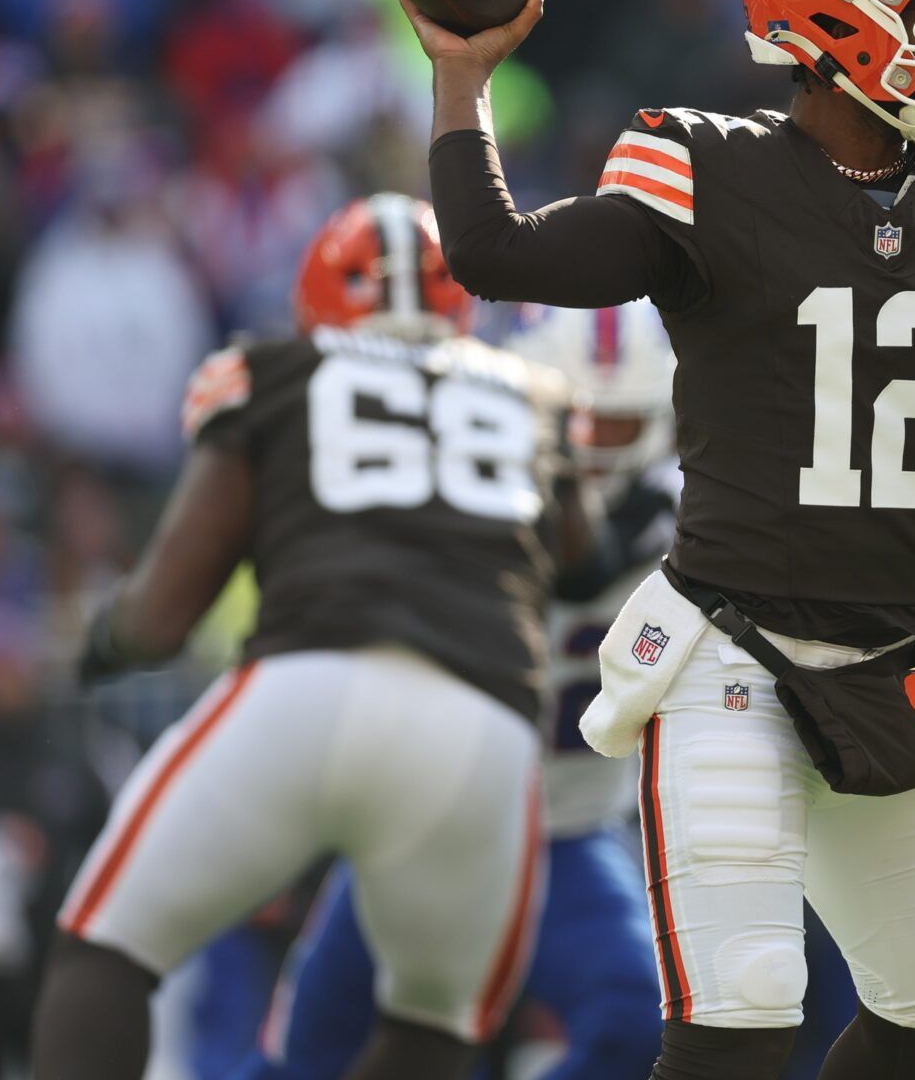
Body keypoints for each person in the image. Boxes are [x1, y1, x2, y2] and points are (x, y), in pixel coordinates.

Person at [400, 0, 915, 1080]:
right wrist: (460, 75)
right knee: (744, 1011)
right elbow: (492, 253)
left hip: (896, 657)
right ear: (842, 19)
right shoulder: (707, 168)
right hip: (730, 649)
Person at [31, 195, 574, 1080]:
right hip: (480, 723)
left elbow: (163, 613)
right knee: (434, 1026)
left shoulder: (274, 371)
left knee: (106, 947)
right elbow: (578, 560)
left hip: (306, 689)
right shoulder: (535, 398)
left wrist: (101, 643)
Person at [214, 301, 679, 1080]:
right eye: (581, 423)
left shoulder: (683, 521)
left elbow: (609, 552)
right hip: (423, 817)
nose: (595, 448)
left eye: (620, 427)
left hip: (564, 832)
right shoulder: (465, 490)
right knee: (304, 1060)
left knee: (639, 1022)